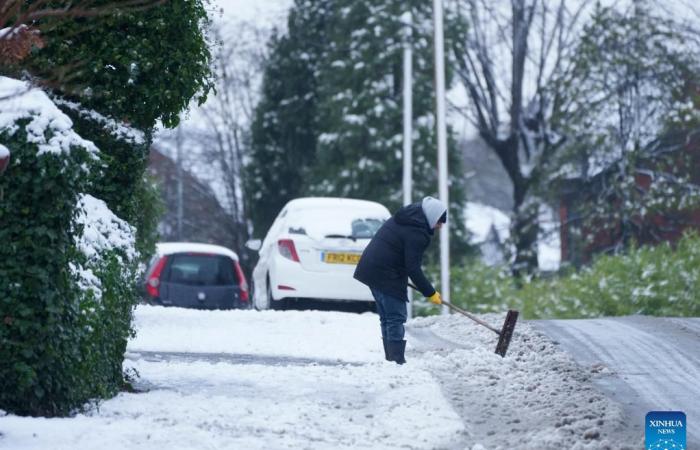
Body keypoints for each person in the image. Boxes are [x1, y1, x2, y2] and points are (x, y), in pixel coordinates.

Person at [353, 196, 446, 364]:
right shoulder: (417, 233)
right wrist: (430, 293)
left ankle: (392, 359)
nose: (440, 227)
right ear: (432, 217)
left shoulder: (407, 218)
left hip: (371, 269)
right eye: (439, 222)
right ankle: (396, 360)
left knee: (387, 317)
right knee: (395, 317)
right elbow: (413, 268)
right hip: (385, 273)